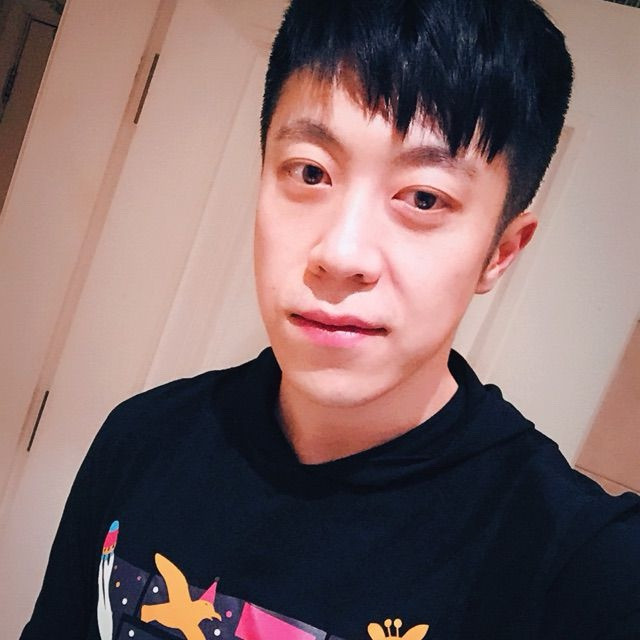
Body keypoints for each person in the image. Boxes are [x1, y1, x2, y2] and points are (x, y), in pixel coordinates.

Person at [21, 1, 640, 639]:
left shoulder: (576, 563)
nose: (341, 256)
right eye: (311, 172)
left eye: (424, 197)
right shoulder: (143, 438)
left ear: (501, 252)